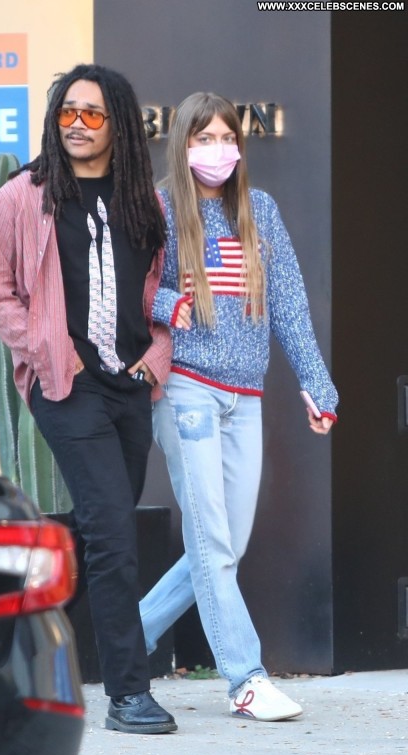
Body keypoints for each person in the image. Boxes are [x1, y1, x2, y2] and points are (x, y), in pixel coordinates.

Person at [0, 63, 178, 735]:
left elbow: (155, 295)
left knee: (98, 536)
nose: (78, 125)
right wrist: (48, 348)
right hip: (66, 386)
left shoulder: (141, 203)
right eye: (67, 112)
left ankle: (4, 660)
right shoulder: (22, 197)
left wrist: (154, 358)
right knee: (114, 533)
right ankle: (129, 695)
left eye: (92, 114)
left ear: (118, 124)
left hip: (130, 386)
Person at [139, 91, 338, 722]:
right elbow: (128, 287)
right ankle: (245, 679)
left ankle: (120, 638)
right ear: (183, 145)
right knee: (213, 542)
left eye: (227, 138)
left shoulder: (261, 211)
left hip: (244, 397)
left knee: (226, 542)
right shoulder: (160, 209)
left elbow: (290, 304)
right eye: (204, 139)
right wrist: (168, 305)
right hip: (188, 391)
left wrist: (319, 387)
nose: (217, 150)